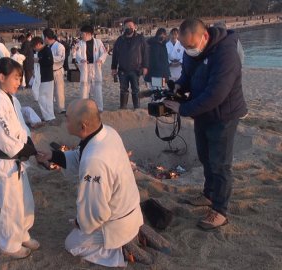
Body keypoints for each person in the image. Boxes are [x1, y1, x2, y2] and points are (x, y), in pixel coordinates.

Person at [36, 99, 143, 267]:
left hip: (117, 223)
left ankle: (118, 253)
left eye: (68, 119)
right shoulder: (107, 132)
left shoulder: (94, 161)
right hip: (131, 209)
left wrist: (81, 222)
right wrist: (53, 156)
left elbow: (96, 210)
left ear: (83, 126)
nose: (65, 122)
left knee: (72, 243)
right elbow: (80, 155)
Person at [163, 18, 248, 230]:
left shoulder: (226, 53)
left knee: (220, 163)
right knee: (205, 157)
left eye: (191, 46)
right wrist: (178, 86)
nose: (188, 50)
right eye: (184, 47)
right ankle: (209, 194)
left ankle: (220, 211)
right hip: (202, 113)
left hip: (223, 115)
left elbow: (215, 95)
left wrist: (182, 109)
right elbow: (187, 74)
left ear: (205, 36)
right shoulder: (191, 50)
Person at [0, 58, 39, 259]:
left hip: (18, 159)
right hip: (6, 162)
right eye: (16, 78)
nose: (19, 82)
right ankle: (9, 244)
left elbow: (20, 127)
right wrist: (25, 151)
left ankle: (22, 233)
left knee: (25, 201)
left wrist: (29, 144)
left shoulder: (11, 99)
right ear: (1, 77)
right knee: (10, 206)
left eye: (20, 78)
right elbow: (2, 137)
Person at [111, 18, 148, 109]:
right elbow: (115, 54)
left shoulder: (140, 38)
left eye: (131, 26)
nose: (129, 28)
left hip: (136, 69)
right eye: (127, 26)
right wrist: (113, 68)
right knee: (123, 89)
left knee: (135, 89)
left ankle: (137, 107)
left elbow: (145, 53)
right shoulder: (120, 40)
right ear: (123, 28)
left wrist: (145, 66)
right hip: (123, 69)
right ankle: (123, 107)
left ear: (134, 27)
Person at [75, 25, 108, 112]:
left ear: (88, 34)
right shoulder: (80, 43)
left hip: (96, 67)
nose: (81, 35)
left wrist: (100, 60)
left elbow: (104, 53)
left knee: (97, 88)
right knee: (84, 88)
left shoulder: (98, 42)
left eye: (83, 34)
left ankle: (99, 108)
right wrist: (82, 60)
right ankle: (83, 107)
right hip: (85, 67)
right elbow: (76, 54)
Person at [31, 36, 55, 122]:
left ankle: (49, 116)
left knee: (46, 98)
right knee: (42, 98)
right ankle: (46, 116)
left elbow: (50, 62)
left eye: (34, 47)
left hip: (47, 77)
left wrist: (39, 60)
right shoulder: (40, 51)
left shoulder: (47, 50)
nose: (34, 49)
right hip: (41, 77)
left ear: (38, 44)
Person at [43, 28, 66, 114]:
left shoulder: (59, 46)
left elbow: (61, 57)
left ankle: (61, 108)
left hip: (57, 71)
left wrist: (49, 58)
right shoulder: (47, 47)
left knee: (59, 90)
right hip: (49, 71)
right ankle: (50, 108)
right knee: (49, 91)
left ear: (46, 37)